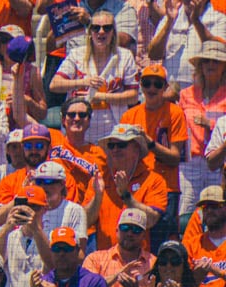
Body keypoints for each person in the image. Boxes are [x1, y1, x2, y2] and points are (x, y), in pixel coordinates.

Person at [120, 63, 187, 250]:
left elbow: (175, 157)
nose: (151, 88)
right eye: (147, 83)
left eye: (157, 84)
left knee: (163, 247)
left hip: (167, 188)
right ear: (140, 85)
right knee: (135, 243)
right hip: (138, 186)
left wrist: (149, 144)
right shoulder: (129, 115)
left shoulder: (175, 113)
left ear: (165, 87)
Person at [50, 13, 140, 142]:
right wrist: (84, 82)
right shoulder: (77, 54)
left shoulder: (124, 56)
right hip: (79, 129)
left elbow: (133, 96)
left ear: (113, 32)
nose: (101, 32)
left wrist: (102, 97)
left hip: (113, 131)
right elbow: (54, 85)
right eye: (96, 28)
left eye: (107, 28)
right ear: (89, 31)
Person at [88, 124, 167, 251]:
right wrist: (97, 197)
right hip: (105, 262)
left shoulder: (154, 180)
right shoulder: (99, 179)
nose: (115, 150)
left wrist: (126, 195)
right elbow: (85, 222)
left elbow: (151, 220)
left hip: (140, 261)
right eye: (111, 146)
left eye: (121, 145)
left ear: (136, 148)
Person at [177, 42, 226, 217]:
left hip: (218, 163)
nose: (211, 65)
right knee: (187, 211)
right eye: (206, 61)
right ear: (200, 65)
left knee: (215, 209)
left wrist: (211, 125)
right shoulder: (186, 94)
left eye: (216, 61)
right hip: (190, 162)